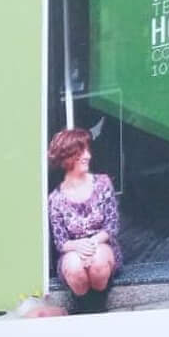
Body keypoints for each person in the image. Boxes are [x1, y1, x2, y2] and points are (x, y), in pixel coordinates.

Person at [45, 126, 122, 311]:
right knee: (73, 267)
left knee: (98, 263)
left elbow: (112, 226)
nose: (88, 156)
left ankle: (98, 305)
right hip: (73, 249)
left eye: (88, 150)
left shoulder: (102, 183)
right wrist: (77, 246)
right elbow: (61, 242)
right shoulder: (55, 199)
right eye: (81, 152)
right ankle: (85, 309)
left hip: (102, 243)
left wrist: (91, 243)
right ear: (66, 157)